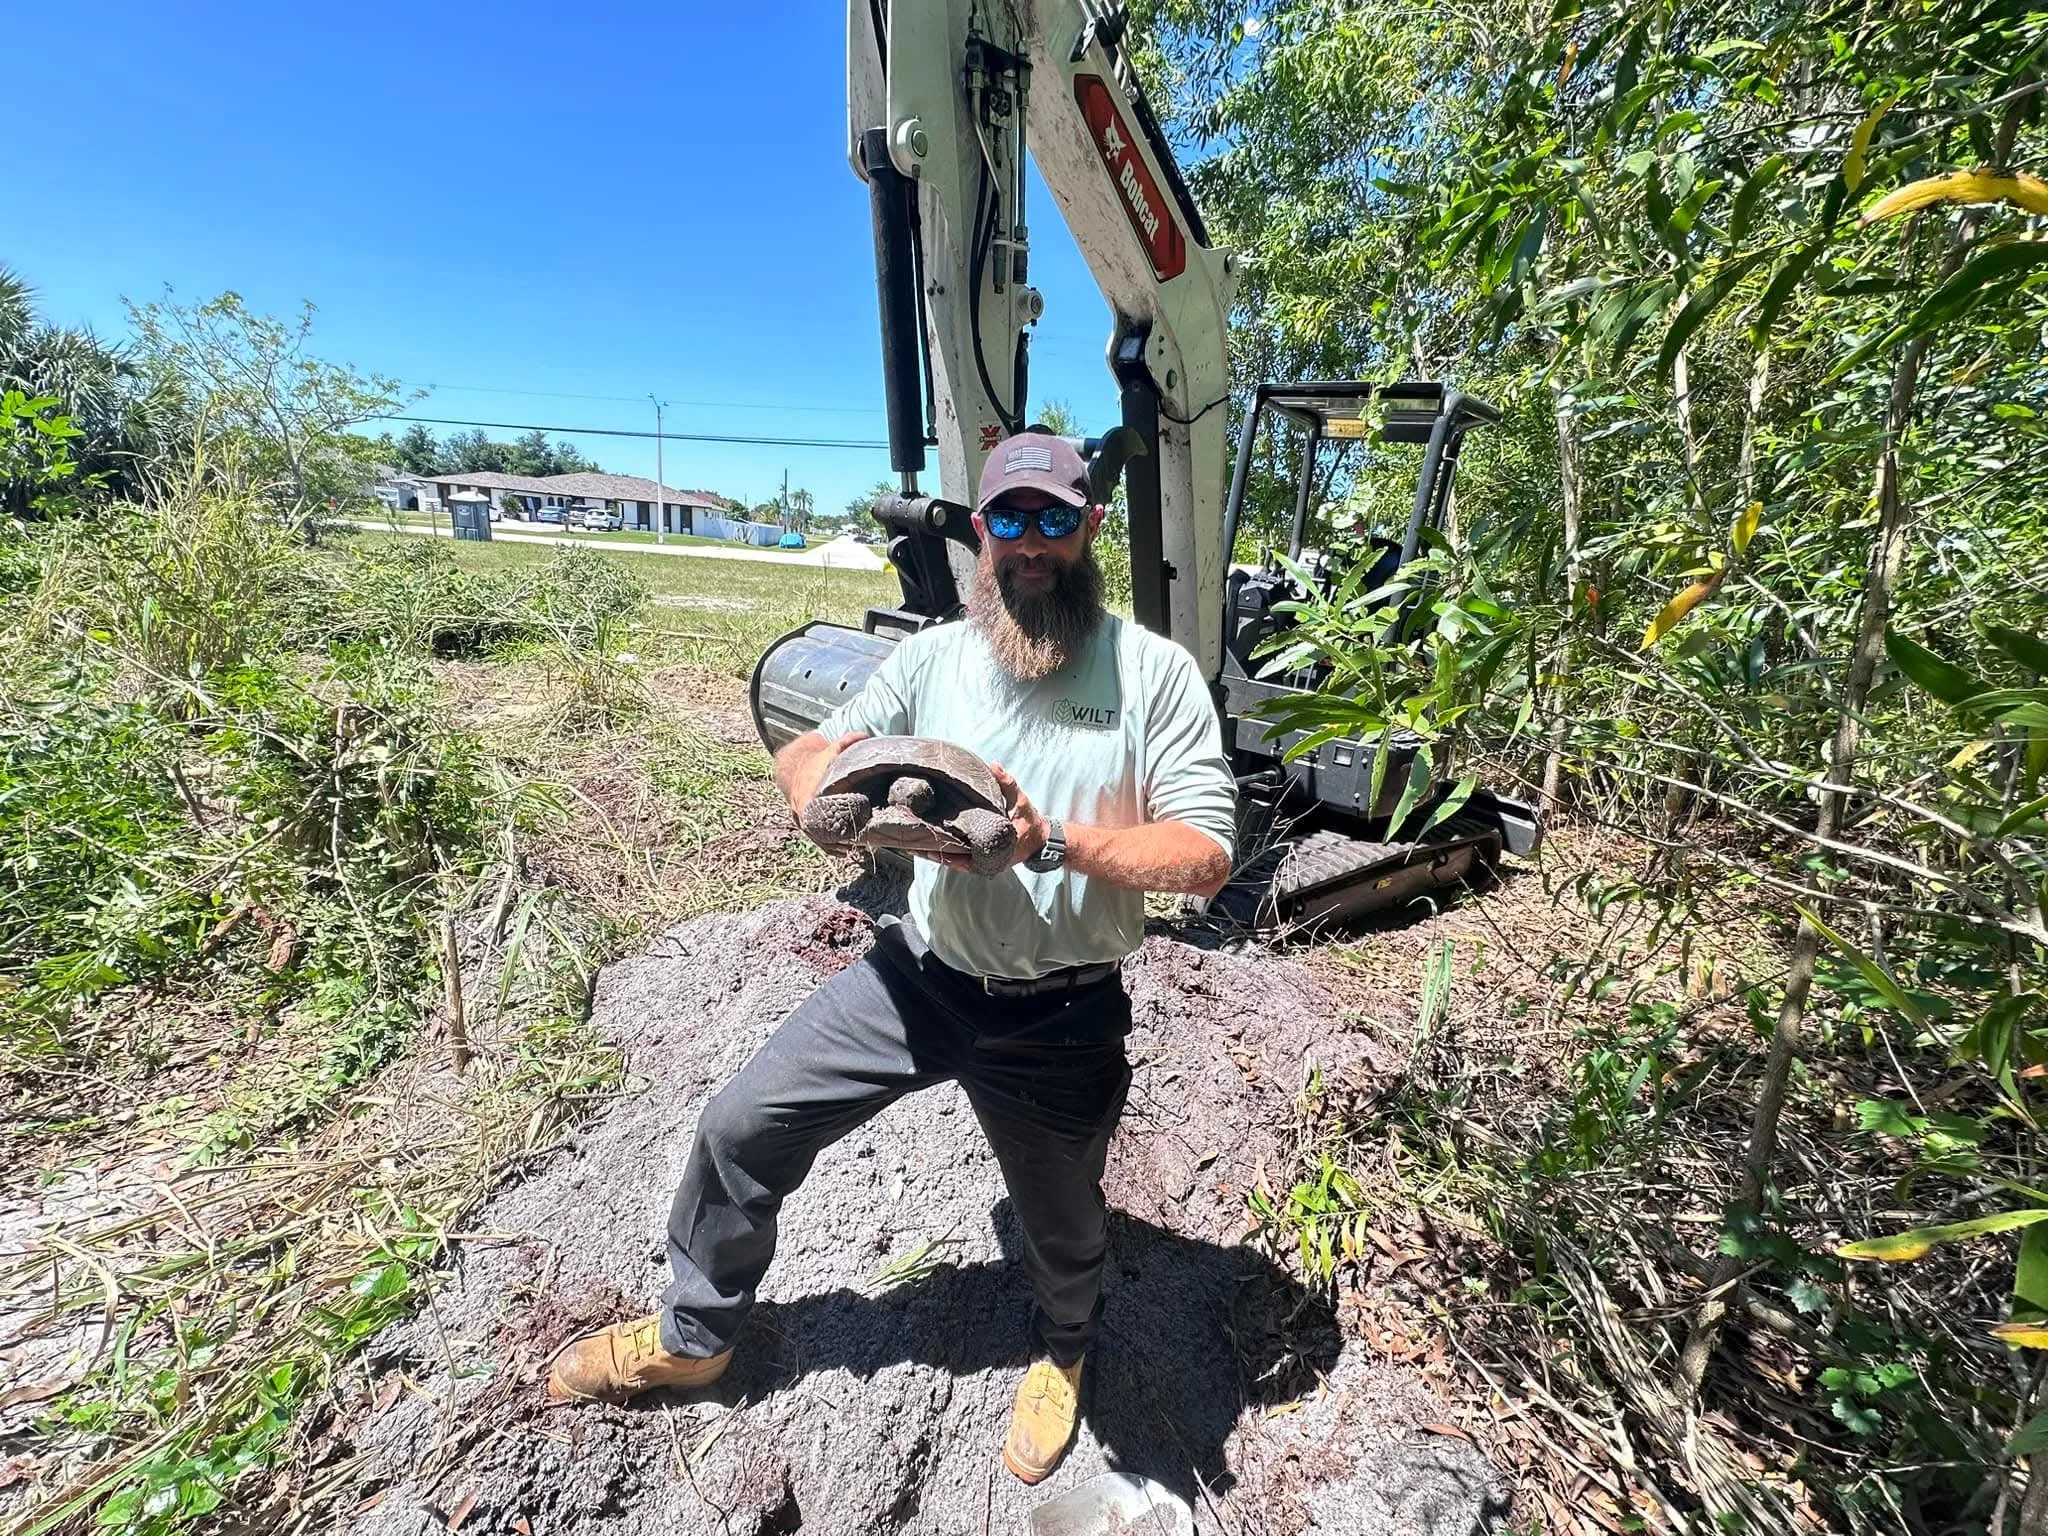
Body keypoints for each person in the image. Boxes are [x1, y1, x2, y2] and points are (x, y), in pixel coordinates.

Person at [545, 430, 1237, 1486]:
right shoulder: (931, 660)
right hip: (917, 980)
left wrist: (1052, 843)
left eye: (1056, 518)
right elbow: (809, 748)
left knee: (1061, 1224)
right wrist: (816, 801)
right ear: (979, 534)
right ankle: (697, 1336)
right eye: (1011, 519)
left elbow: (1203, 857)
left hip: (1059, 1014)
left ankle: (1061, 1349)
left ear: (1090, 528)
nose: (1032, 542)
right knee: (741, 1125)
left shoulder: (1152, 674)